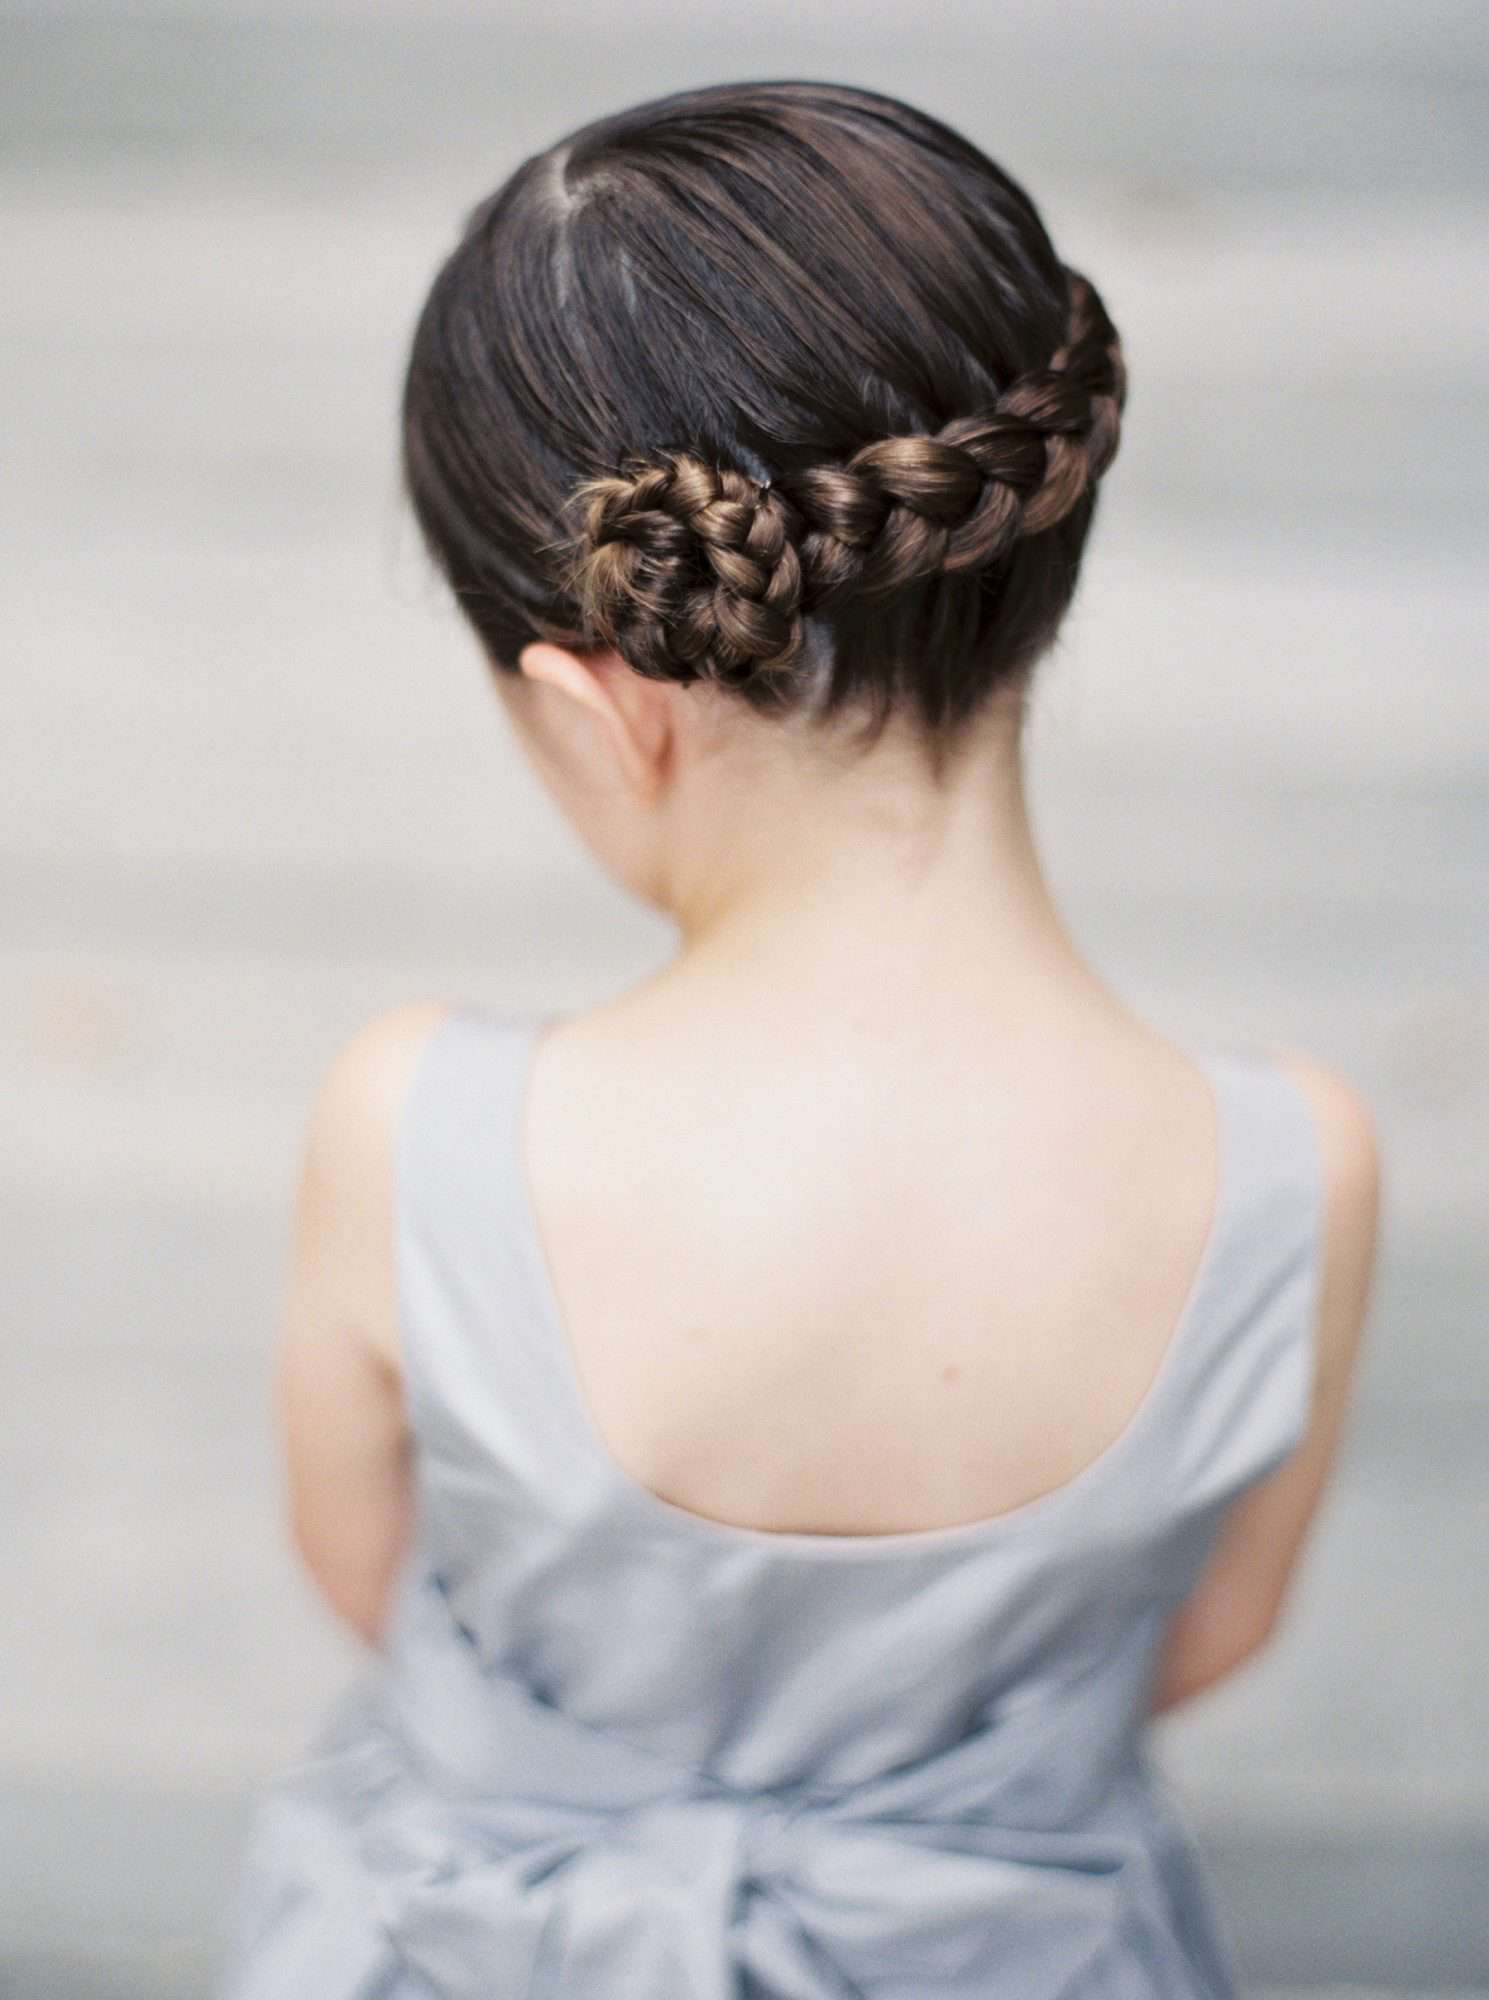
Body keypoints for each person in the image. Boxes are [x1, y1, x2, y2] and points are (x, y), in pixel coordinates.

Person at [219, 79, 1382, 1998]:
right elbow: (1212, 1635)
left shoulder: (413, 1127)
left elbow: (366, 1572)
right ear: (1036, 556)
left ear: (605, 712)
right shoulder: (1290, 1171)